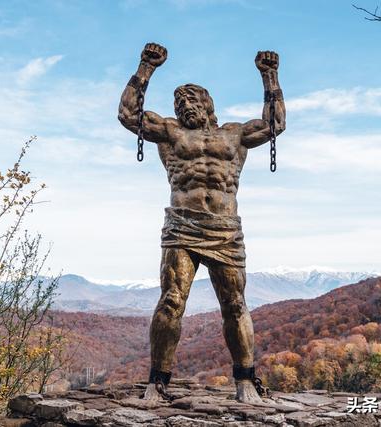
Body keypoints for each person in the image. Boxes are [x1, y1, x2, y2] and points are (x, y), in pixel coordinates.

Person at [118, 42, 286, 403]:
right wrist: (145, 67)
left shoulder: (234, 134)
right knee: (171, 302)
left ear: (208, 105)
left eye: (191, 102)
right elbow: (129, 116)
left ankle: (245, 379)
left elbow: (275, 125)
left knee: (235, 304)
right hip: (182, 225)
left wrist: (269, 76)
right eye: (179, 104)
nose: (184, 108)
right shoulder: (170, 132)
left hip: (225, 229)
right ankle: (158, 380)